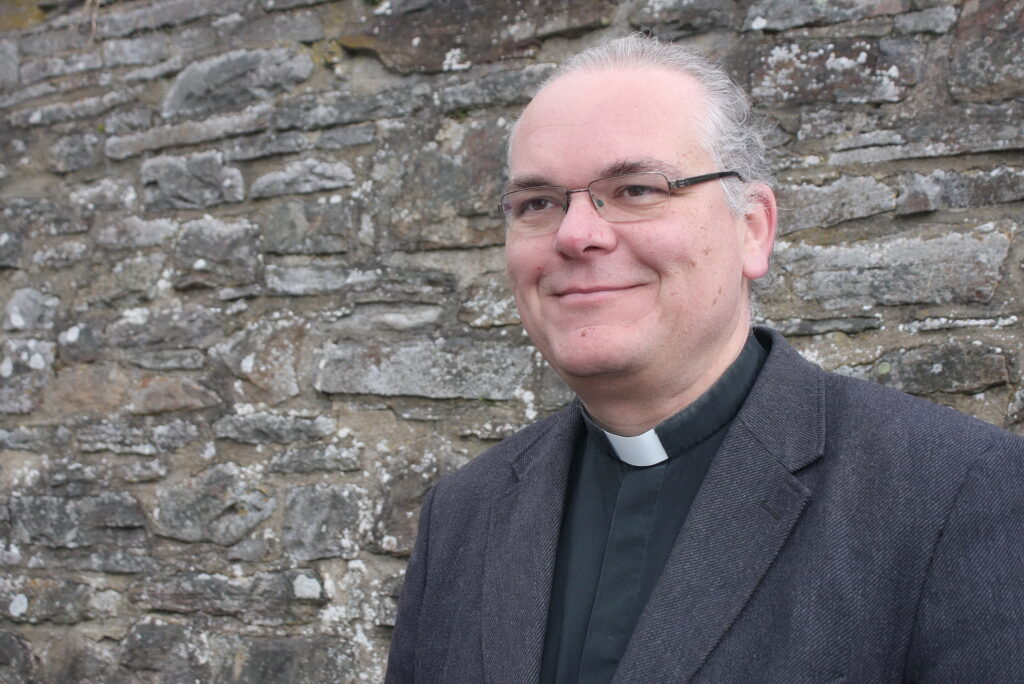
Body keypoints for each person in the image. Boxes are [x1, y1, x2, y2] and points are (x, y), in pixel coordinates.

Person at [385, 35, 1024, 683]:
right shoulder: (462, 515)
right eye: (538, 204)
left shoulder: (955, 492)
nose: (576, 234)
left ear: (752, 228)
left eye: (636, 189)